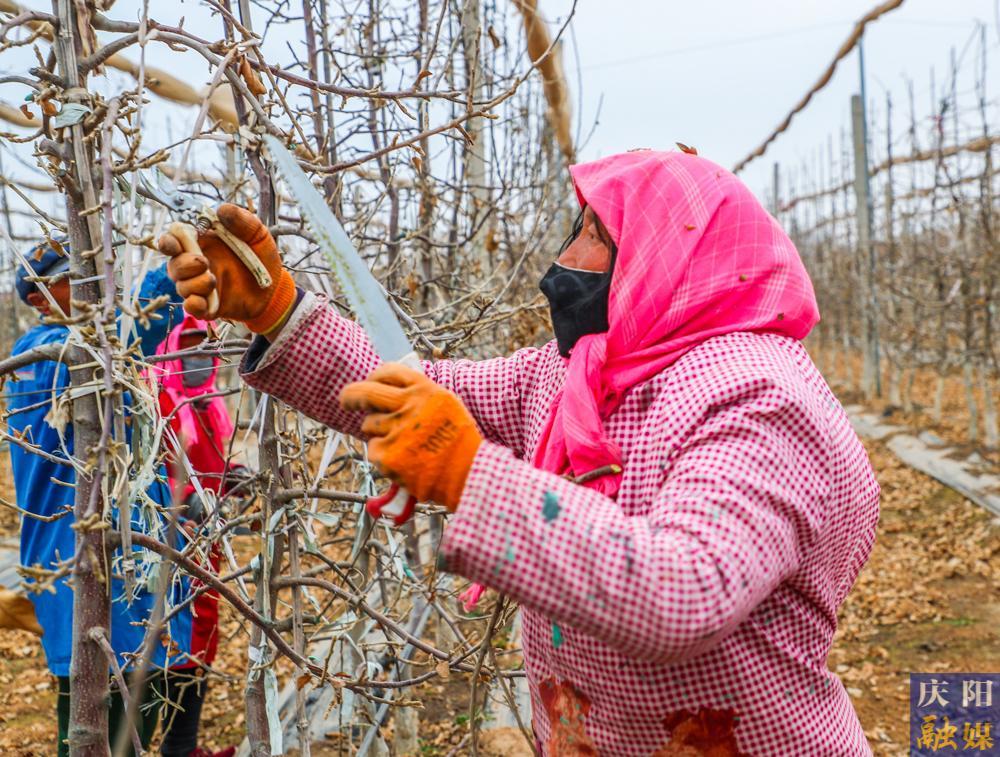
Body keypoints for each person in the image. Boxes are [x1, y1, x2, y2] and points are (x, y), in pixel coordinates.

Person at [160, 150, 881, 755]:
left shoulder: (759, 396)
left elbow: (683, 589)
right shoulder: (577, 374)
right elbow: (420, 393)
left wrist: (473, 476)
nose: (564, 261)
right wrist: (277, 309)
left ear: (668, 251)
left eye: (594, 234)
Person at [5, 240, 194, 756]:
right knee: (91, 718)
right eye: (71, 277)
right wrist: (171, 278)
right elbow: (122, 340)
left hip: (130, 553)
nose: (91, 284)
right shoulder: (48, 357)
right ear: (40, 298)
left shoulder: (85, 349)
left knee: (145, 697)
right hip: (83, 557)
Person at [150, 315, 243, 757]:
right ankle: (174, 745)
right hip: (166, 541)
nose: (200, 362)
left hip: (206, 538)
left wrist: (235, 476)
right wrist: (181, 501)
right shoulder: (156, 401)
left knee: (203, 629)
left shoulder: (210, 401)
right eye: (189, 352)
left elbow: (217, 458)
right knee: (175, 633)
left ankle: (182, 744)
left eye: (207, 352)